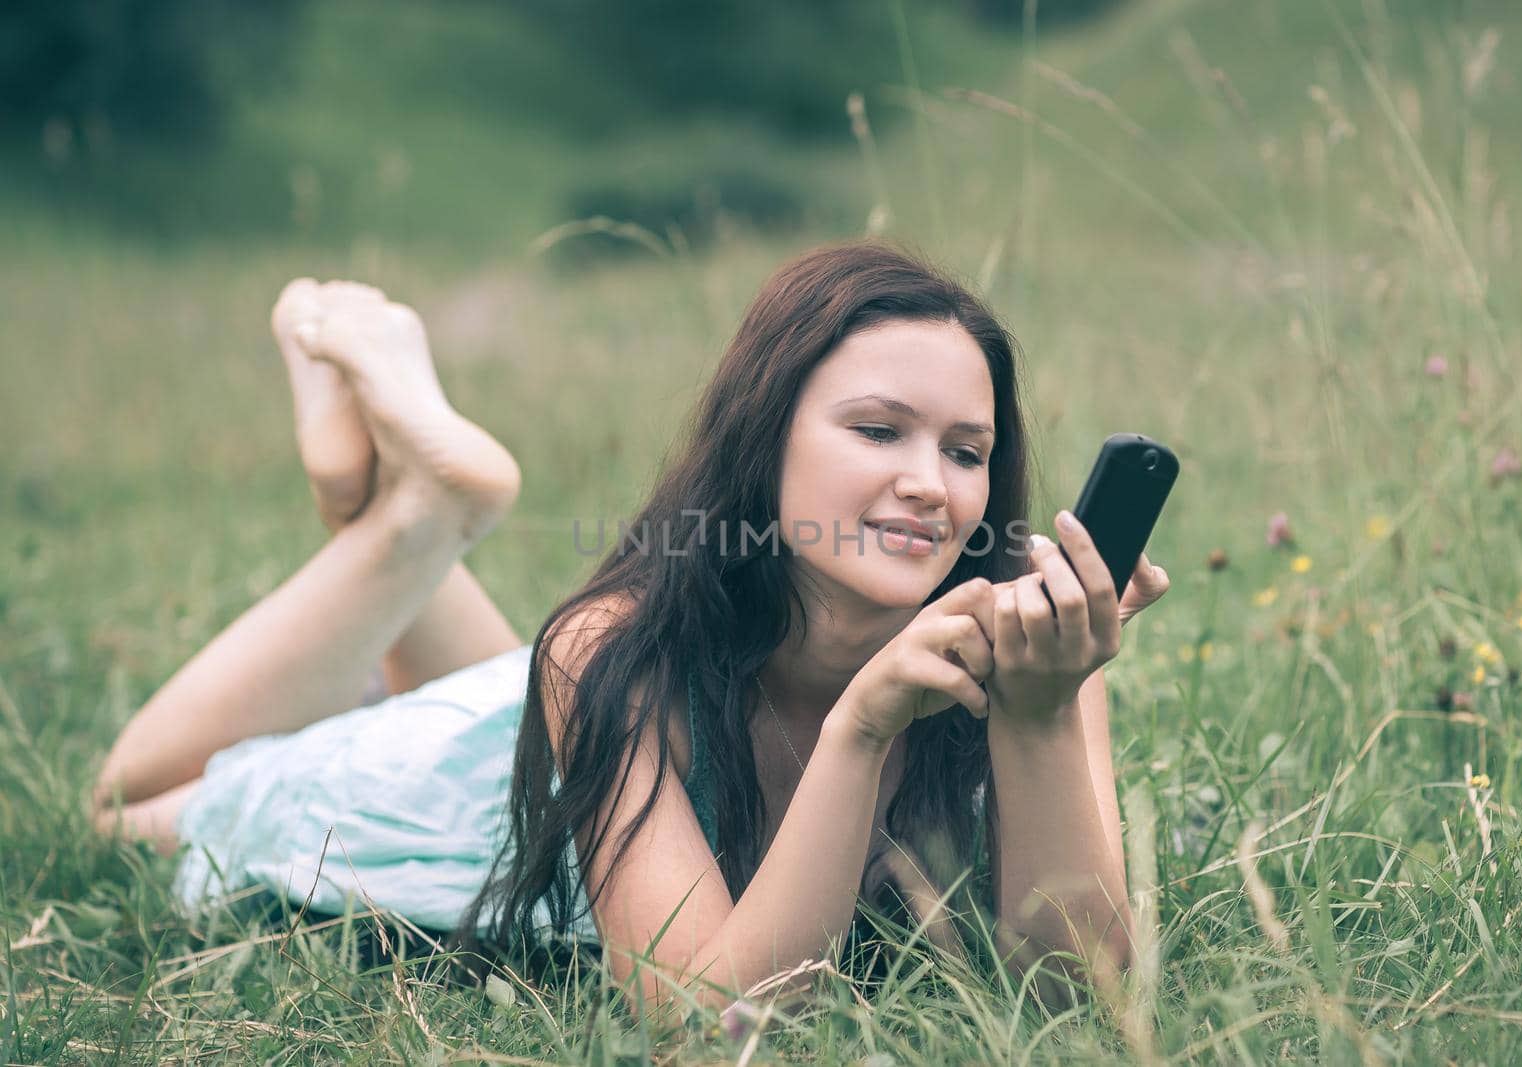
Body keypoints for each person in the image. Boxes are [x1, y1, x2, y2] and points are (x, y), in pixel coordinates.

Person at [90, 240, 1170, 1016]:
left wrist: (1039, 714)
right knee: (127, 806)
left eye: (966, 451)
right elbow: (709, 1019)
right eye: (878, 428)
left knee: (568, 670)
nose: (929, 484)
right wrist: (862, 723)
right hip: (474, 779)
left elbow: (1078, 992)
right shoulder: (614, 650)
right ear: (764, 439)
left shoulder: (1038, 644)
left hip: (594, 745)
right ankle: (431, 511)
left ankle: (395, 497)